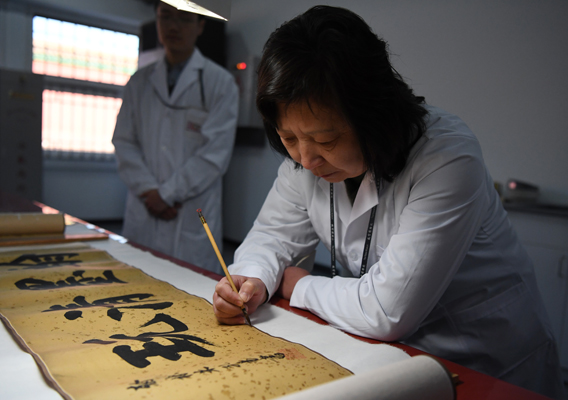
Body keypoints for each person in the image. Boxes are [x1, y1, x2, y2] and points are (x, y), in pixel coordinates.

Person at [212, 5, 564, 398]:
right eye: (289, 138)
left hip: (487, 361)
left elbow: (385, 310)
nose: (306, 159)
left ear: (372, 115)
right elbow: (273, 236)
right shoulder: (304, 161)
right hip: (396, 360)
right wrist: (251, 280)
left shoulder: (447, 156)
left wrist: (298, 286)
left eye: (325, 141)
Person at [112, 1, 238, 275]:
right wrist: (150, 191)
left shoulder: (220, 83)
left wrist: (167, 195)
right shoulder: (139, 82)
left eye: (184, 19)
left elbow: (214, 155)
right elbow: (124, 141)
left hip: (189, 210)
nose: (173, 26)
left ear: (200, 25)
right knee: (136, 284)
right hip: (145, 207)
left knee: (192, 292)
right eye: (165, 16)